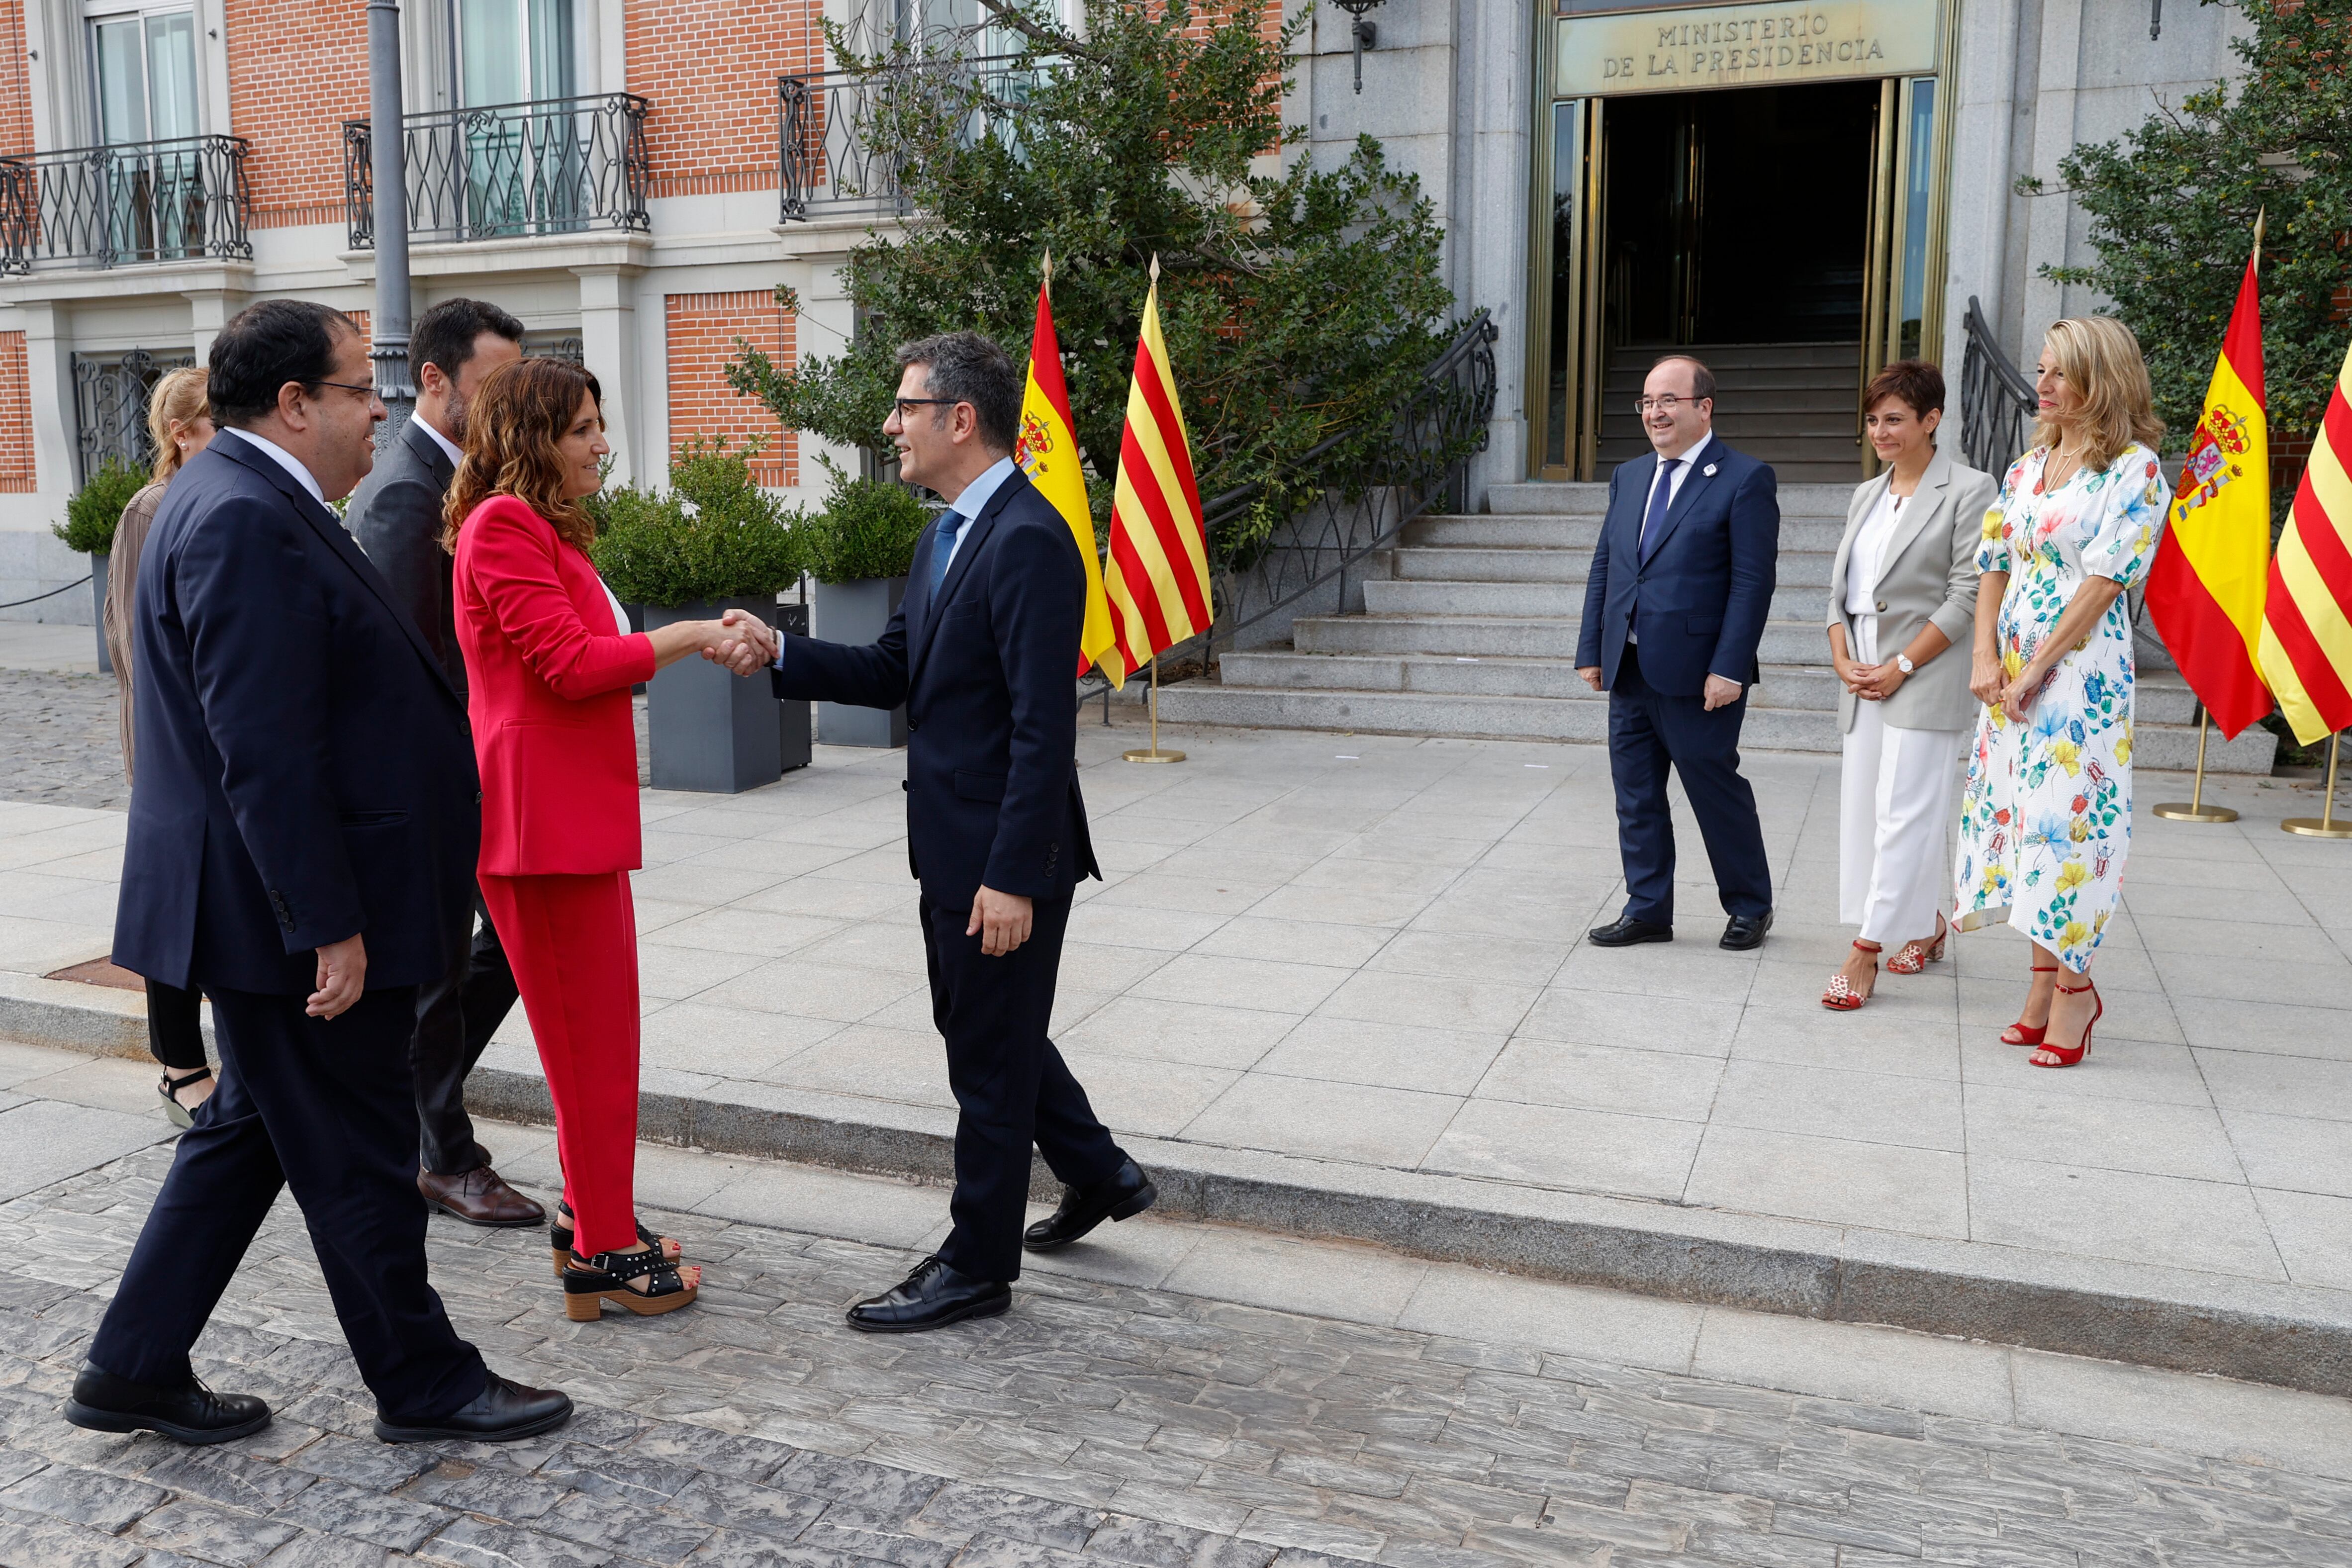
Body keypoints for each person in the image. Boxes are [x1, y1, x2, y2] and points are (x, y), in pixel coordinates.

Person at [70, 299, 571, 1446]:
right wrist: (327, 923)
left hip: (262, 910)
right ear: (294, 404)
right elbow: (267, 747)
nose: (381, 405)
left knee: (248, 1133)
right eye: (359, 388)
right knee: (354, 1158)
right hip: (287, 922)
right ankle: (425, 1380)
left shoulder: (248, 498)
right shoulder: (244, 514)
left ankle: (130, 1363)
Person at [720, 331, 1156, 1334]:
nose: (891, 426)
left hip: (1006, 856)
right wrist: (779, 649)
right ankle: (1100, 1171)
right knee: (987, 1034)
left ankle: (975, 1264)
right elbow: (892, 670)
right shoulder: (947, 534)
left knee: (987, 1063)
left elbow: (1046, 729)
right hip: (952, 843)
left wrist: (1011, 876)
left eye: (906, 407)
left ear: (962, 418)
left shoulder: (1031, 539)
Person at [447, 357, 768, 1321]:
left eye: (598, 424)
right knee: (589, 1047)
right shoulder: (503, 525)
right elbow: (570, 665)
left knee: (602, 1042)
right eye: (583, 426)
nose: (601, 444)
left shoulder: (539, 529)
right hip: (538, 827)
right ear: (531, 435)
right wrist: (689, 635)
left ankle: (597, 1214)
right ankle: (601, 1250)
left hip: (568, 821)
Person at [347, 297, 539, 1228]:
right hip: (432, 782)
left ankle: (410, 1113)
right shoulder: (404, 492)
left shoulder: (473, 480)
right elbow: (406, 666)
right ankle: (442, 1150)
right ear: (436, 379)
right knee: (438, 972)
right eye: (494, 381)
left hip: (482, 772)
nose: (509, 396)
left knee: (495, 954)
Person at [1955, 317, 2169, 1067]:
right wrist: (1985, 655)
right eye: (2038, 371)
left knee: (2069, 827)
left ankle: (2077, 990)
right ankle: (2041, 984)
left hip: (2079, 676)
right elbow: (1991, 564)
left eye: (2056, 374)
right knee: (2018, 823)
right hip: (2009, 670)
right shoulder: (2024, 468)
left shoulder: (2134, 471)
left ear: (2099, 381)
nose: (2039, 387)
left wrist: (2037, 667)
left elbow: (2105, 582)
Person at [1576, 354, 1781, 951]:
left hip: (1699, 675)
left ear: (1703, 407)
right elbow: (1607, 566)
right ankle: (1648, 909)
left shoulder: (1744, 478)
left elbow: (1752, 583)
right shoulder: (1629, 476)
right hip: (1630, 667)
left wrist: (1728, 666)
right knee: (1635, 796)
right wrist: (1593, 647)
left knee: (1714, 792)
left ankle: (1749, 905)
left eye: (1668, 400)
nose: (1654, 412)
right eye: (1646, 402)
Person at [1820, 362, 1997, 1010]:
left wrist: (1902, 665)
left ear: (1931, 420)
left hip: (1925, 669)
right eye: (1873, 419)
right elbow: (1840, 592)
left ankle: (1864, 951)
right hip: (1861, 668)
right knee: (1871, 811)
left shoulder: (1970, 489)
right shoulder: (1867, 494)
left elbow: (1969, 590)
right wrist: (1842, 656)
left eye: (1894, 418)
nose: (1880, 431)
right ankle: (1923, 923)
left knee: (1906, 810)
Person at [104, 367, 217, 1126]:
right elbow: (133, 636)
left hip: (213, 736)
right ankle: (179, 1065)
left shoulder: (216, 498)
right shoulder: (152, 509)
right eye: (219, 422)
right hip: (174, 736)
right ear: (184, 434)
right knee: (176, 901)